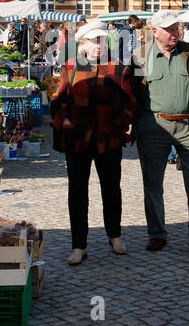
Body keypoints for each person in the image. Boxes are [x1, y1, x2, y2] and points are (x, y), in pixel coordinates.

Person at [51, 21, 137, 265]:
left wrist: (118, 125)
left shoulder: (118, 68)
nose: (99, 46)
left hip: (108, 140)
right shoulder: (72, 68)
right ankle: (79, 245)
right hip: (77, 142)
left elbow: (130, 102)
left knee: (111, 189)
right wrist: (65, 123)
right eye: (93, 41)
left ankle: (115, 235)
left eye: (102, 41)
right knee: (77, 192)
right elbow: (59, 100)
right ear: (82, 44)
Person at [135, 10, 189, 257]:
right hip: (154, 127)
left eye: (176, 28)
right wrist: (133, 127)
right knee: (152, 184)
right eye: (168, 29)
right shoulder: (140, 56)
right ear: (155, 31)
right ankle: (157, 234)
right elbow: (133, 95)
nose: (174, 33)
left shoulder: (188, 53)